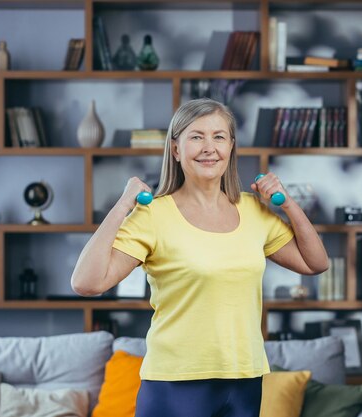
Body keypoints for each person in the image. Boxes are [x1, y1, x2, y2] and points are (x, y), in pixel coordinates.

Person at [71, 98, 329, 417]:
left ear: (231, 147)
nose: (209, 147)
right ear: (176, 149)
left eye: (219, 136)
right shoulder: (153, 215)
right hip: (175, 383)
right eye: (196, 136)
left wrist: (287, 203)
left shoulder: (253, 211)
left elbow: (316, 263)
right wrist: (123, 205)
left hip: (244, 380)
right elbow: (86, 282)